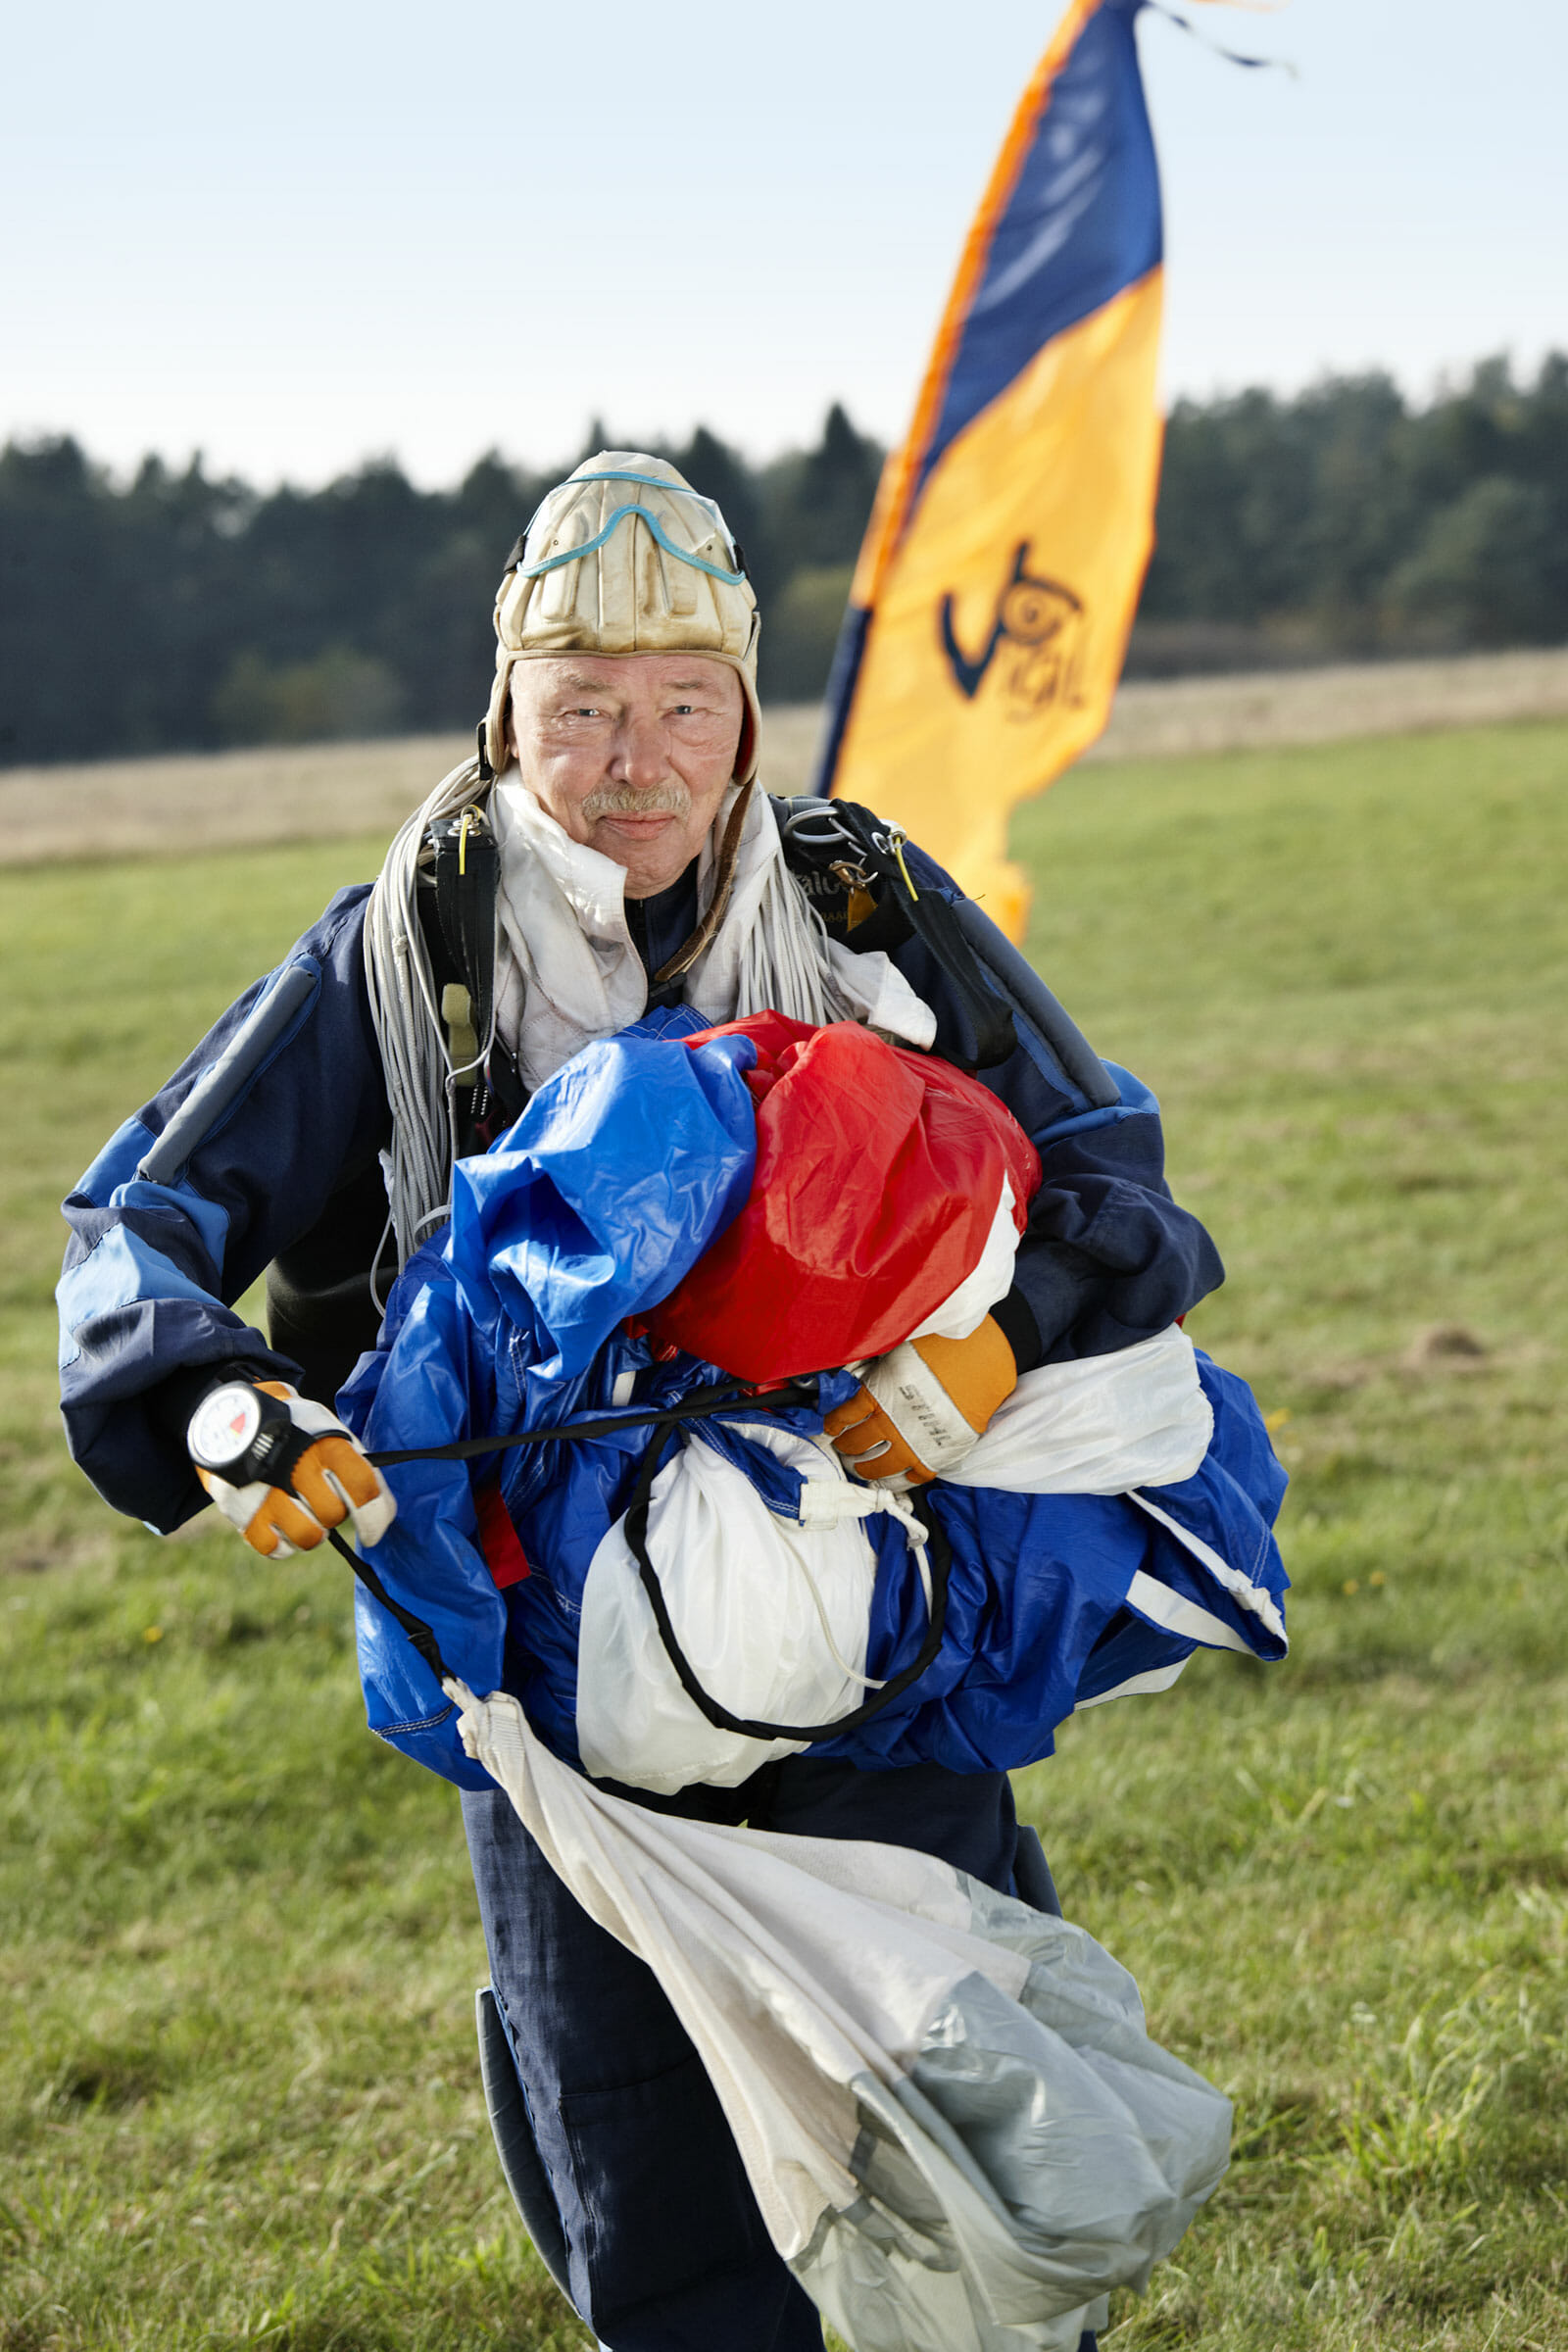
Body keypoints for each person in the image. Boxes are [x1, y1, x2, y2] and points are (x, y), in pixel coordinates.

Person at [59, 455, 1224, 2352]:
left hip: (869, 1625)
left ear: (744, 716)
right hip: (550, 1695)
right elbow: (141, 1227)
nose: (635, 757)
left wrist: (988, 1358)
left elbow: (1107, 1163)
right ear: (503, 710)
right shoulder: (401, 955)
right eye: (581, 705)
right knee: (656, 2215)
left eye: (684, 703)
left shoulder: (862, 906)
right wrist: (218, 1409)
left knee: (967, 2131)